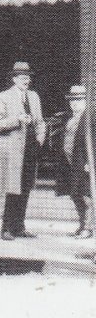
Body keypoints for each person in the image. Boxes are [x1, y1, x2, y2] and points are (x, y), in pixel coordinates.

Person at [0, 60, 45, 240]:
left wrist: (39, 140)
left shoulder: (34, 97)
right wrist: (17, 120)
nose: (27, 81)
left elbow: (40, 122)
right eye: (23, 78)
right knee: (12, 189)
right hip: (12, 152)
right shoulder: (3, 97)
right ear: (14, 79)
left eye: (28, 78)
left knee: (26, 188)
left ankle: (19, 227)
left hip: (30, 150)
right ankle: (6, 228)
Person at [49, 83, 94, 239]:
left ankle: (88, 228)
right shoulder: (69, 118)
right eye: (72, 100)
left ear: (86, 101)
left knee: (86, 196)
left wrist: (91, 162)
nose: (75, 102)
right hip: (69, 163)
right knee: (75, 194)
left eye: (79, 99)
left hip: (84, 164)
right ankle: (82, 225)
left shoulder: (91, 117)